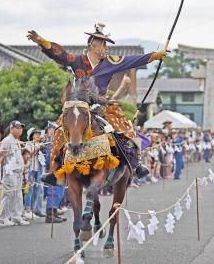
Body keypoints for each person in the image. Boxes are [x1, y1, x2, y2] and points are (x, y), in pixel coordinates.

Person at [27, 24, 167, 183]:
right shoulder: (76, 61)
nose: (106, 48)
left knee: (125, 126)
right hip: (78, 107)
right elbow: (60, 54)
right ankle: (55, 170)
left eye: (106, 44)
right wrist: (41, 41)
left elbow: (131, 61)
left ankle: (135, 164)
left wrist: (155, 55)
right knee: (59, 130)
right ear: (92, 45)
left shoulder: (110, 62)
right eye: (103, 44)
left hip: (102, 106)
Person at [0, 121, 29, 227]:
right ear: (11, 129)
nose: (20, 129)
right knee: (8, 194)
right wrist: (2, 173)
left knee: (18, 195)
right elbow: (1, 157)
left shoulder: (16, 141)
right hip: (10, 172)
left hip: (18, 173)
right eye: (18, 127)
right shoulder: (7, 141)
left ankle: (16, 216)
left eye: (21, 127)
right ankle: (3, 218)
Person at [23, 128, 45, 218]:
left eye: (39, 134)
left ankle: (33, 209)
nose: (37, 135)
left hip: (38, 169)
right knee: (29, 189)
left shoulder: (41, 144)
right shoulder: (28, 144)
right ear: (32, 135)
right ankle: (27, 209)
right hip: (30, 169)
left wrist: (40, 146)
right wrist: (36, 148)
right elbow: (28, 156)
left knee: (38, 189)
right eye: (35, 134)